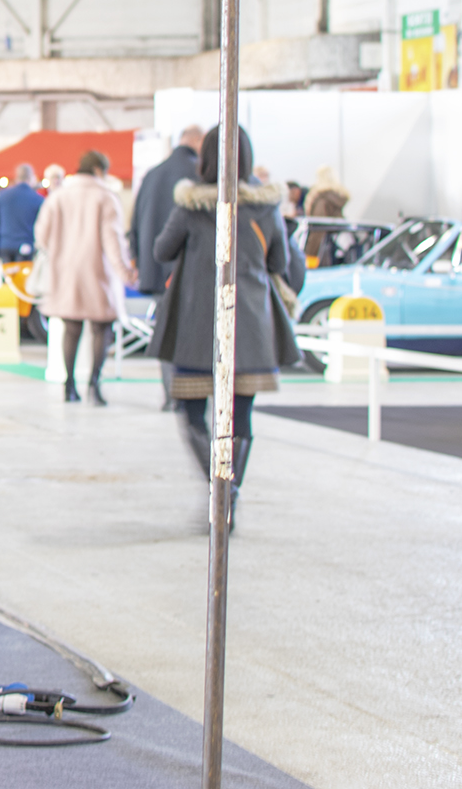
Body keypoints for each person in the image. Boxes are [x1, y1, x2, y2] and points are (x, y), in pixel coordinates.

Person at [152, 126, 302, 525]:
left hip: (199, 325)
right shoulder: (266, 207)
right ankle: (230, 490)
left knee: (191, 409)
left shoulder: (191, 206)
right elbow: (279, 265)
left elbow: (161, 249)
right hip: (250, 325)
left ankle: (220, 488)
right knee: (241, 416)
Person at [33, 150, 132, 406]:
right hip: (97, 272)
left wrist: (59, 250)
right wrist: (125, 271)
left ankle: (69, 385)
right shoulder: (105, 197)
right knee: (101, 328)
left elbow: (41, 234)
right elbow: (113, 241)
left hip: (65, 272)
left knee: (71, 328)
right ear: (99, 170)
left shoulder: (58, 196)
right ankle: (94, 385)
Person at [131, 125, 201, 296]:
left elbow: (135, 222)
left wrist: (138, 261)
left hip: (152, 270)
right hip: (186, 276)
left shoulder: (152, 174)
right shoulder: (198, 174)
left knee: (161, 320)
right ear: (198, 141)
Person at [0, 163, 44, 262]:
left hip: (5, 245)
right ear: (31, 178)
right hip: (27, 246)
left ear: (17, 177)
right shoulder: (38, 199)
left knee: (6, 275)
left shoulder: (3, 196)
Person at [303, 166, 350, 264]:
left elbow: (318, 230)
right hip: (335, 247)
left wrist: (311, 256)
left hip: (321, 251)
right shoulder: (336, 198)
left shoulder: (321, 200)